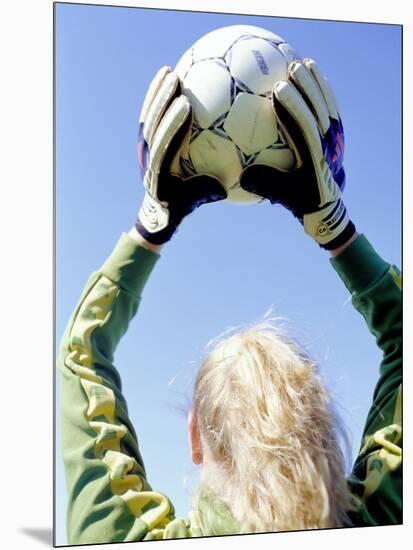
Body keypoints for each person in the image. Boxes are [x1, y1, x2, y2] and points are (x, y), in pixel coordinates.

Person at [58, 59, 402, 544]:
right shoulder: (384, 519)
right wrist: (334, 226)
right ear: (323, 427)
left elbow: (80, 355)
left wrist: (150, 226)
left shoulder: (127, 535)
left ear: (196, 436)